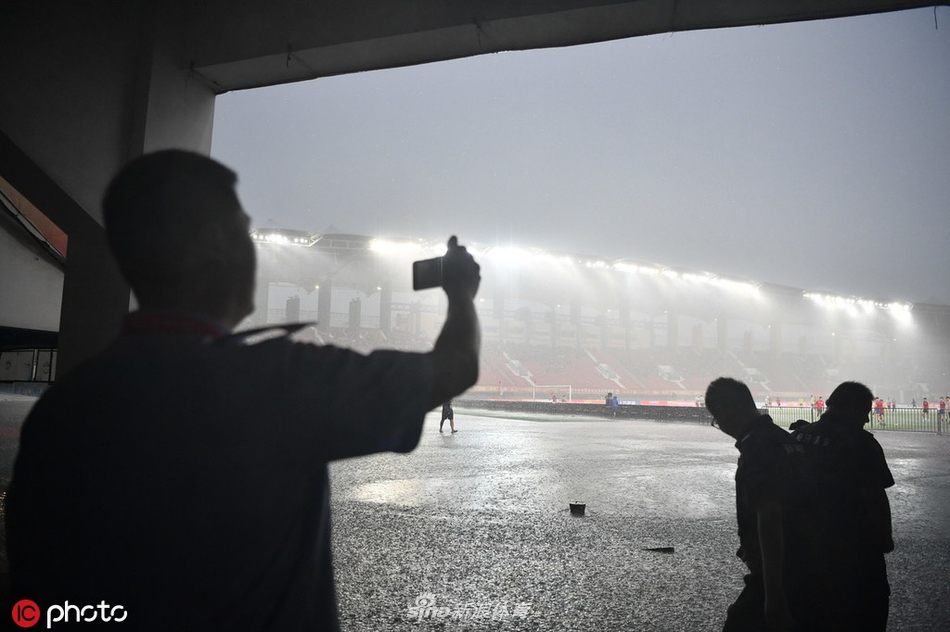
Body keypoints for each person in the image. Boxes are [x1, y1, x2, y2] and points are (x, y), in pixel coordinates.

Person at [6, 150, 482, 631]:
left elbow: (35, 596)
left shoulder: (61, 411)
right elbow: (455, 368)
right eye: (243, 227)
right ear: (218, 241)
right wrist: (460, 289)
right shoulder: (277, 379)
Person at [705, 377, 829, 632]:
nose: (721, 426)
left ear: (729, 411)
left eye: (717, 419)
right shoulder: (785, 440)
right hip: (809, 562)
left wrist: (773, 592)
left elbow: (769, 517)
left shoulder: (756, 450)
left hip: (782, 570)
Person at [791, 381, 895, 632]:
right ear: (854, 410)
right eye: (865, 411)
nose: (867, 419)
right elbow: (874, 496)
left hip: (806, 544)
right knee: (864, 613)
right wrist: (885, 537)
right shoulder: (861, 444)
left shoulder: (798, 437)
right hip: (854, 547)